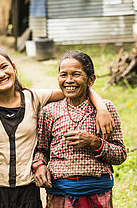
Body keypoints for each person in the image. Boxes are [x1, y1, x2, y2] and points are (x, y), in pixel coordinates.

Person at [0, 49, 114, 208]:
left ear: (14, 68)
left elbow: (72, 88)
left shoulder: (34, 98)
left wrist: (101, 107)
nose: (0, 74)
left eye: (4, 67)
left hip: (28, 189)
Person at [33, 50, 127, 208]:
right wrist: (40, 166)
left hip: (97, 194)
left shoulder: (105, 110)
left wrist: (95, 143)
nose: (69, 80)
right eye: (63, 75)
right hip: (60, 195)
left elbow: (120, 155)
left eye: (76, 74)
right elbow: (41, 150)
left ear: (91, 80)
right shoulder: (49, 111)